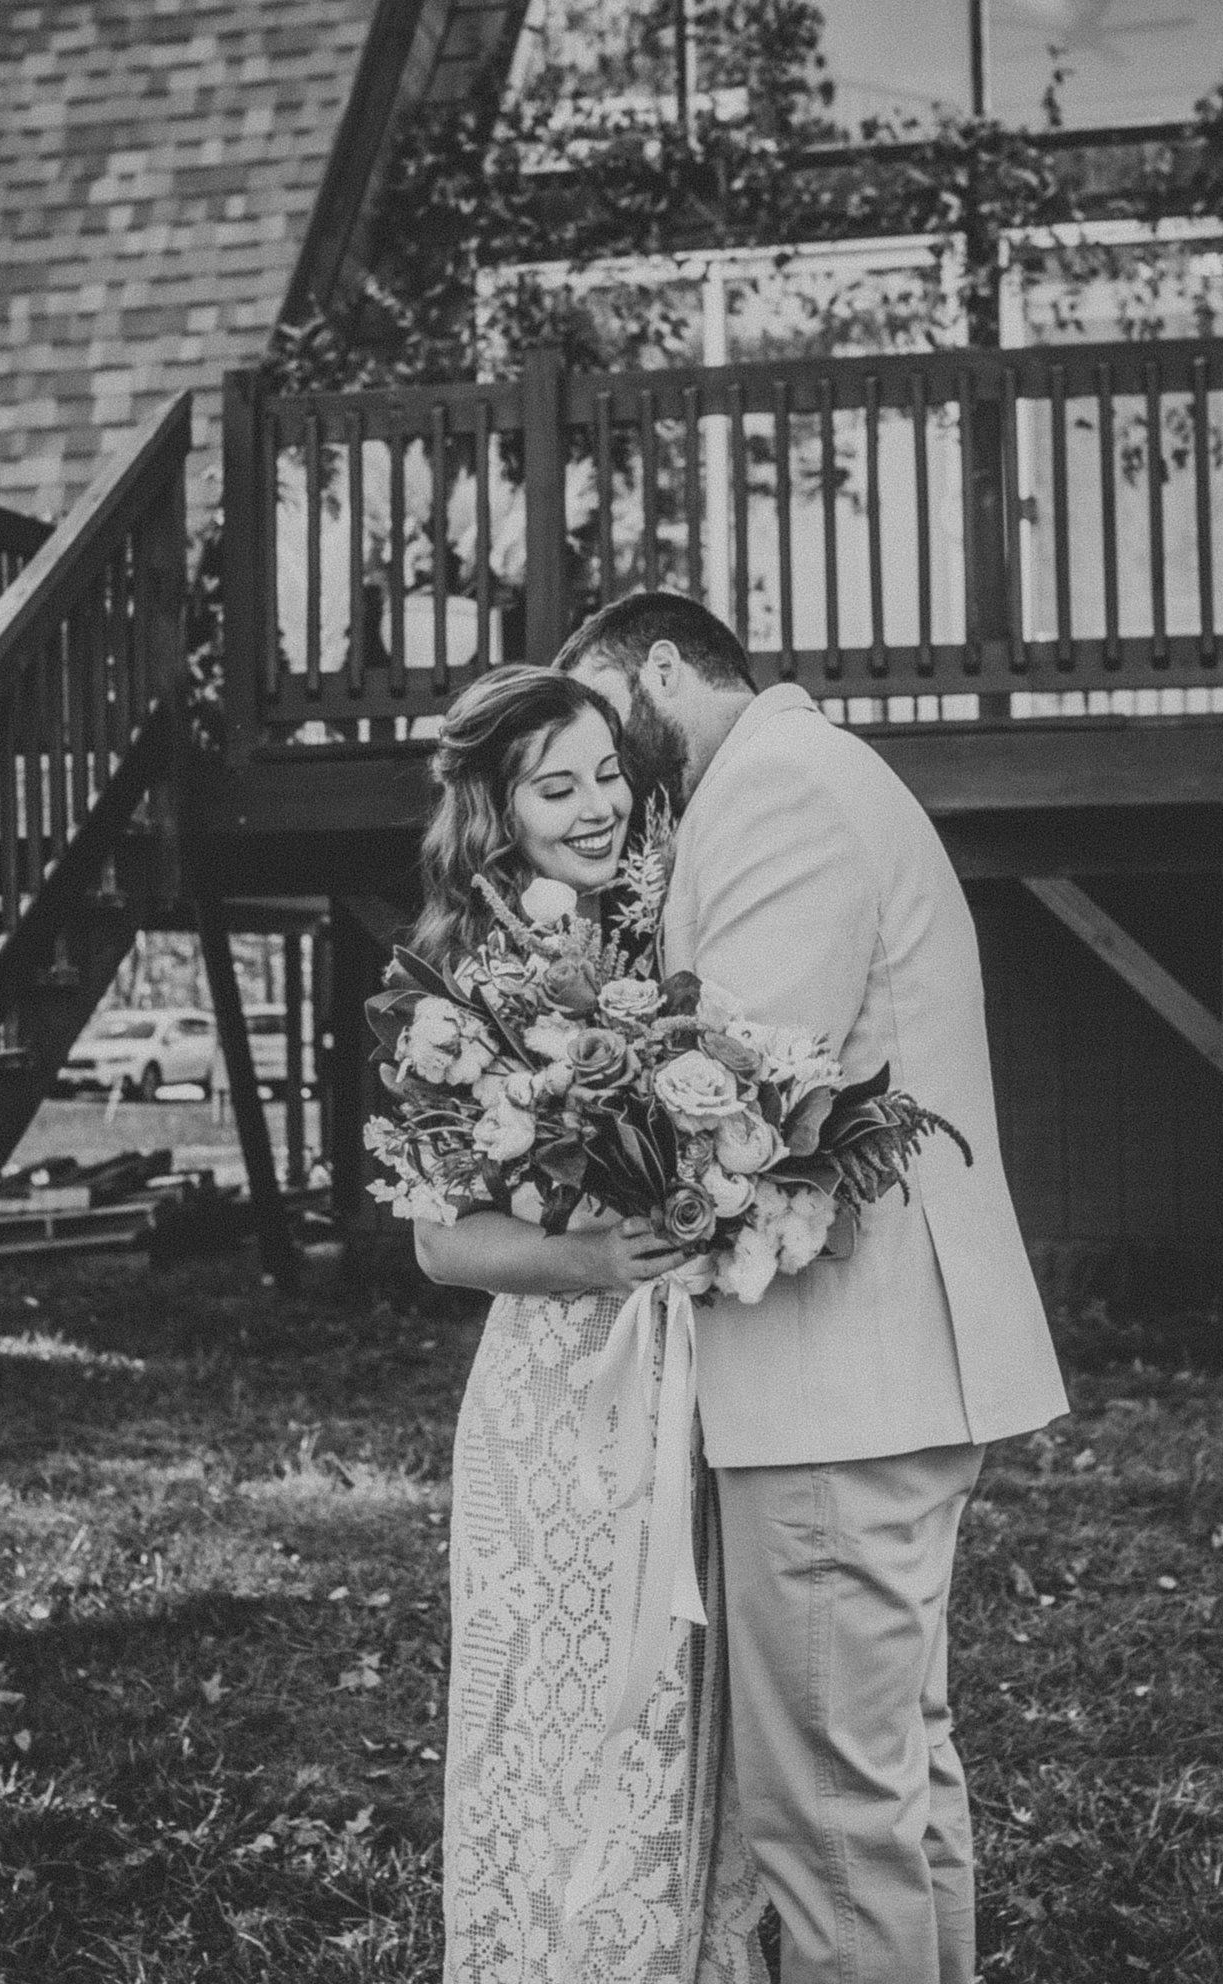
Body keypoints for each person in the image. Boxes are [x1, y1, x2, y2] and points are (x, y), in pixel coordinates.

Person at [559, 591, 1069, 1984]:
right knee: (891, 1782)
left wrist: (558, 1123)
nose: (600, 753)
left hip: (840, 1385)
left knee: (831, 1824)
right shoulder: (804, 777)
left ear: (661, 666)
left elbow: (734, 1106)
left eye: (603, 708)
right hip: (870, 1379)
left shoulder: (778, 791)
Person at [398, 664, 766, 1984]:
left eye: (609, 772)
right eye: (559, 786)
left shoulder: (663, 932)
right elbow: (442, 1240)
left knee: (688, 1687)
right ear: (499, 808)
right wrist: (592, 1253)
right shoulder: (462, 990)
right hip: (556, 1406)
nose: (599, 804)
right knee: (562, 1712)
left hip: (690, 1374)